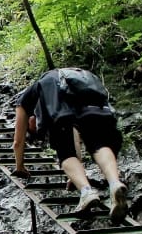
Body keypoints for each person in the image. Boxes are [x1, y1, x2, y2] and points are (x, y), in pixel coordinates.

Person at [11, 68, 129, 223]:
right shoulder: (68, 77)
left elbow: (18, 142)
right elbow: (74, 134)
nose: (33, 129)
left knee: (65, 153)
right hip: (96, 105)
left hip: (64, 110)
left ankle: (87, 192)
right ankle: (115, 183)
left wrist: (19, 167)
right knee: (98, 145)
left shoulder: (28, 98)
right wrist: (76, 175)